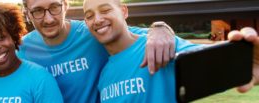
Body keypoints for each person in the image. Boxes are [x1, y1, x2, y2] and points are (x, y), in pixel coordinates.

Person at [82, 0, 259, 102]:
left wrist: (248, 61)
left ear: (123, 11)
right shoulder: (104, 75)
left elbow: (214, 62)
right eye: (89, 16)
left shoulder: (160, 45)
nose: (97, 19)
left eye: (105, 10)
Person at [18, 0, 175, 102]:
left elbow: (132, 35)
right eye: (37, 11)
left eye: (54, 8)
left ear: (65, 5)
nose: (49, 19)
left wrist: (160, 27)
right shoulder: (23, 50)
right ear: (27, 14)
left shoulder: (92, 32)